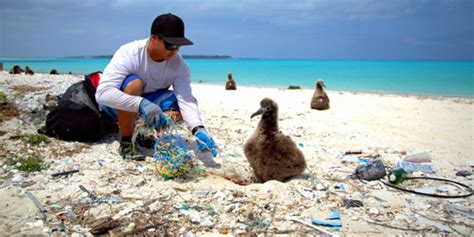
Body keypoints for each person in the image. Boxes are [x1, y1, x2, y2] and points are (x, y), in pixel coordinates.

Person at [95, 13, 217, 160]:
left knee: (182, 105)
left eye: (178, 46)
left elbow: (186, 98)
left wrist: (198, 129)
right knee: (134, 84)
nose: (175, 51)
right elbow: (102, 94)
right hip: (117, 105)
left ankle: (143, 133)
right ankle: (127, 141)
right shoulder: (129, 53)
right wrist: (141, 104)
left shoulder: (179, 65)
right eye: (170, 45)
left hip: (149, 105)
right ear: (154, 38)